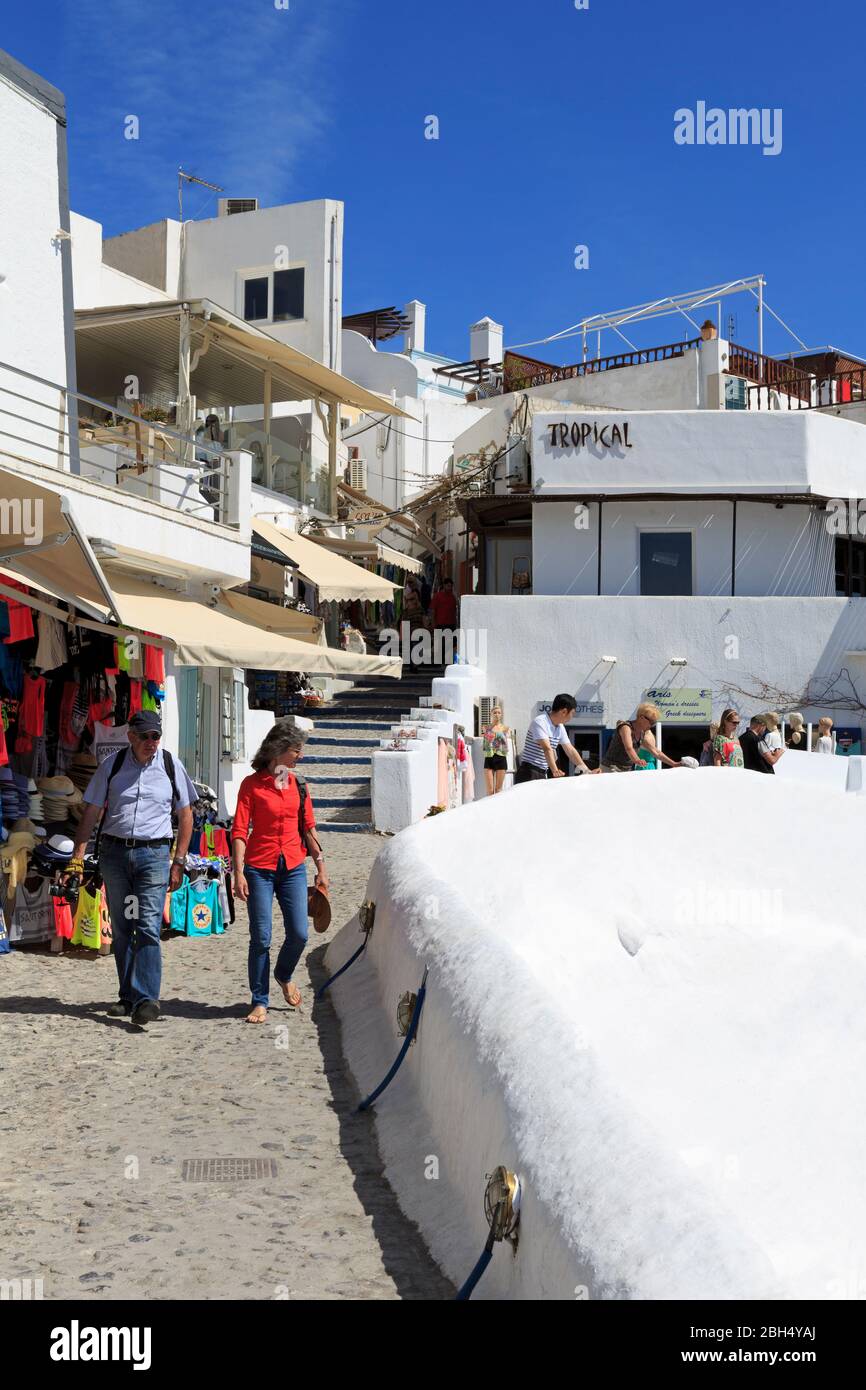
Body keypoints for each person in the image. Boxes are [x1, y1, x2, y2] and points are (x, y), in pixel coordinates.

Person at [69, 710, 195, 1027]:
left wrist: (179, 861)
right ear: (131, 737)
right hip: (116, 857)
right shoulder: (112, 766)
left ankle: (146, 999)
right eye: (145, 736)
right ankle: (128, 996)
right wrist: (77, 856)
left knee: (148, 924)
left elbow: (186, 815)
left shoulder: (171, 765)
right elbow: (91, 811)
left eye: (156, 736)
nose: (151, 742)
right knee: (125, 925)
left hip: (153, 857)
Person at [231, 720, 328, 1024]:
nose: (300, 755)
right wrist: (238, 872)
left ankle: (283, 974)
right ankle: (259, 1000)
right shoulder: (251, 785)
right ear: (278, 750)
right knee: (261, 937)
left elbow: (308, 828)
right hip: (259, 869)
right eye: (296, 750)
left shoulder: (299, 785)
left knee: (299, 933)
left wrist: (321, 867)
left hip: (293, 867)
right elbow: (239, 831)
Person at [514, 695, 592, 783]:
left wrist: (586, 770)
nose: (572, 717)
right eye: (572, 713)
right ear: (564, 711)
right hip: (528, 772)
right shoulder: (540, 722)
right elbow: (547, 748)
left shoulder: (560, 727)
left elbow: (570, 750)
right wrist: (555, 770)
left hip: (542, 772)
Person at [602, 702, 679, 771]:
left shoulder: (642, 734)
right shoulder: (626, 727)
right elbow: (629, 748)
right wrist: (637, 760)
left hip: (626, 769)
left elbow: (656, 752)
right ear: (641, 718)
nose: (652, 725)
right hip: (610, 768)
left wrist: (674, 764)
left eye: (654, 723)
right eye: (651, 722)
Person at [481, 705, 511, 795]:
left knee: (498, 790)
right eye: (495, 712)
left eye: (499, 713)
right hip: (489, 757)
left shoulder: (506, 728)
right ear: (491, 714)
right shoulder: (486, 728)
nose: (497, 714)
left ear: (501, 714)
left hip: (501, 758)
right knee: (490, 791)